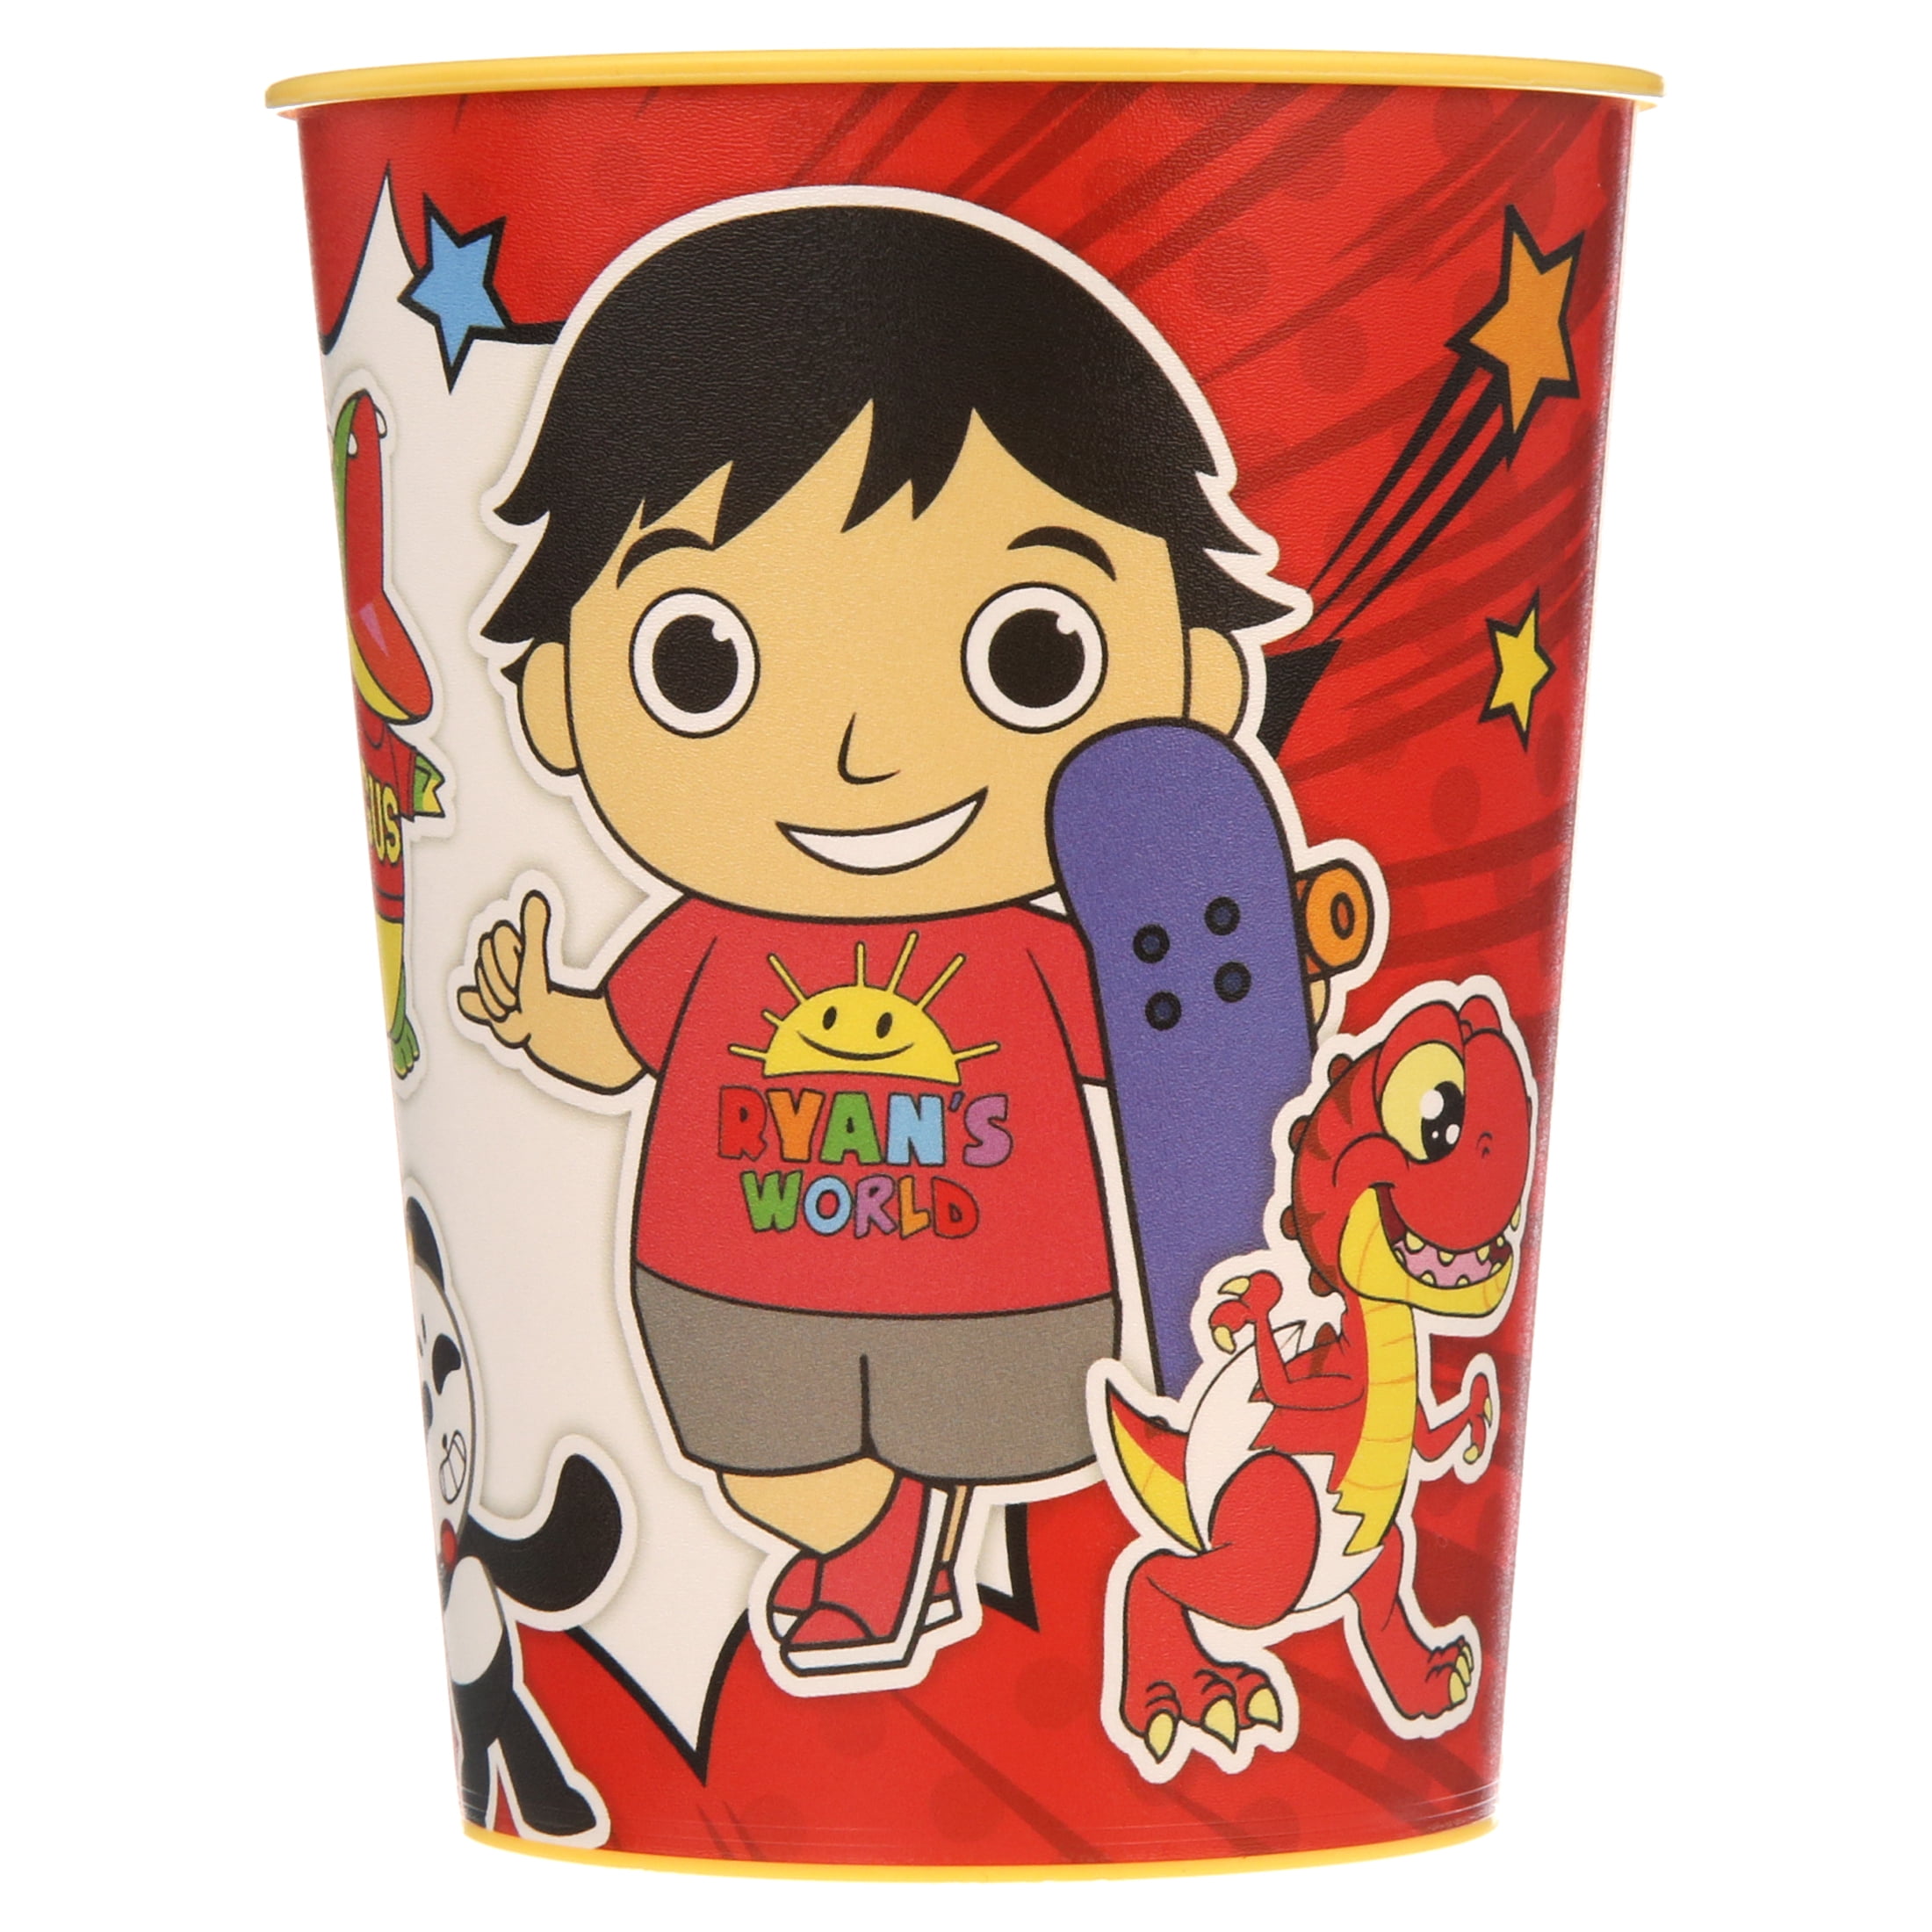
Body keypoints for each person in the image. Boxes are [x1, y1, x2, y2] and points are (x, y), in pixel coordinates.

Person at [458, 193, 1309, 1683]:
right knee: (775, 1479)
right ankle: (877, 1527)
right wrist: (538, 1015)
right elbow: (615, 1038)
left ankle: (893, 1534)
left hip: (1002, 1289)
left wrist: (1275, 969)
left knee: (948, 1437)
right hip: (729, 1284)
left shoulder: (1031, 950)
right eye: (699, 659)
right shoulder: (706, 943)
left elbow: (1171, 1049)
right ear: (556, 698)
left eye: (1033, 652)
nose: (865, 755)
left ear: (1195, 677)